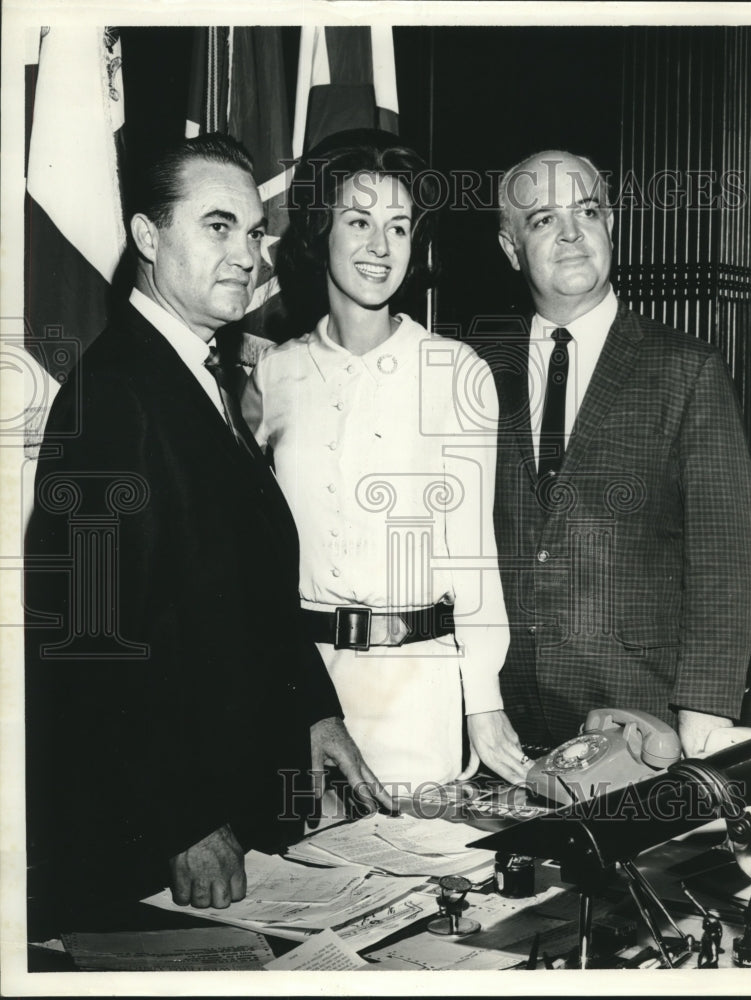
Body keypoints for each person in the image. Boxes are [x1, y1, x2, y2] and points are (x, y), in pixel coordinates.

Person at [24, 133, 390, 934]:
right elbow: (88, 638)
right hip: (156, 839)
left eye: (254, 232)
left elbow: (243, 582)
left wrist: (313, 710)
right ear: (147, 237)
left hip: (239, 800)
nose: (247, 255)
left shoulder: (197, 375)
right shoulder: (114, 393)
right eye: (217, 226)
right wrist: (181, 820)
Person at [243, 132, 530, 797]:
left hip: (415, 694)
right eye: (358, 221)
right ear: (320, 231)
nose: (380, 245)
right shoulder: (274, 375)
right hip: (303, 688)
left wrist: (482, 700)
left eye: (398, 227)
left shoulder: (454, 371)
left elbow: (472, 553)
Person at [490, 149, 751, 756]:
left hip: (642, 718)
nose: (570, 233)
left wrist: (705, 711)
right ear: (511, 249)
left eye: (587, 211)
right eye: (542, 219)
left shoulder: (686, 369)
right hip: (503, 721)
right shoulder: (476, 367)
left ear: (610, 224)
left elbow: (727, 556)